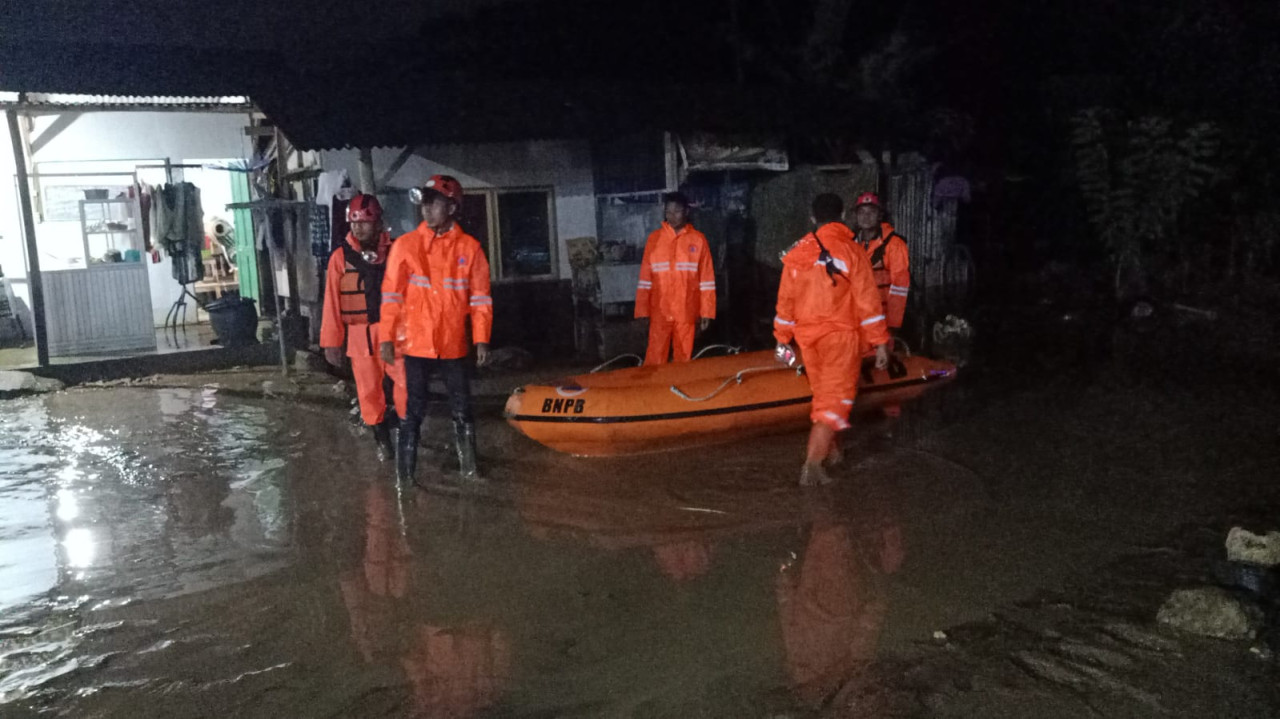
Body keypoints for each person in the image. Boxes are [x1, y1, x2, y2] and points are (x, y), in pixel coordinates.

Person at [379, 175, 492, 484]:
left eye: (435, 203)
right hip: (415, 344)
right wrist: (386, 337)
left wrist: (482, 340)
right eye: (424, 203)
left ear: (452, 207)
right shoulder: (405, 246)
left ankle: (470, 470)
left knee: (463, 407)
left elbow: (480, 299)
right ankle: (405, 477)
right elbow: (390, 296)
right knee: (413, 409)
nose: (427, 209)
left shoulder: (470, 249)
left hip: (453, 344)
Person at [774, 193, 890, 486]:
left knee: (823, 396)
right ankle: (812, 466)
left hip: (807, 340)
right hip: (840, 338)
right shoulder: (852, 251)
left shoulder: (797, 253)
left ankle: (833, 454)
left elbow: (785, 301)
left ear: (812, 218)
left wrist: (782, 339)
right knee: (835, 400)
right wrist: (879, 342)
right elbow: (867, 301)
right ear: (842, 216)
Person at [320, 193, 406, 460]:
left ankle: (407, 432)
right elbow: (332, 302)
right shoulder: (339, 258)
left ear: (378, 223)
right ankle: (383, 442)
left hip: (396, 333)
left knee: (408, 384)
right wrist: (331, 343)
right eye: (354, 222)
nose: (358, 227)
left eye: (365, 222)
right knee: (368, 392)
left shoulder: (397, 251)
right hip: (360, 336)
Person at [634, 192, 716, 364]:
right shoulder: (654, 240)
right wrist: (642, 311)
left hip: (686, 310)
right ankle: (655, 389)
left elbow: (706, 280)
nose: (672, 215)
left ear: (686, 211)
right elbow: (645, 279)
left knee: (683, 359)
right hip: (660, 311)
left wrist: (706, 312)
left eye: (677, 211)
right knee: (655, 358)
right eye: (668, 211)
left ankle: (679, 389)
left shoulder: (698, 240)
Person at [851, 192, 910, 332]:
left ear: (879, 215)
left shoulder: (894, 244)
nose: (866, 217)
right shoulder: (850, 243)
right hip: (855, 320)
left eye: (871, 212)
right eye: (862, 212)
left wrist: (892, 325)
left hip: (881, 320)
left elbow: (899, 287)